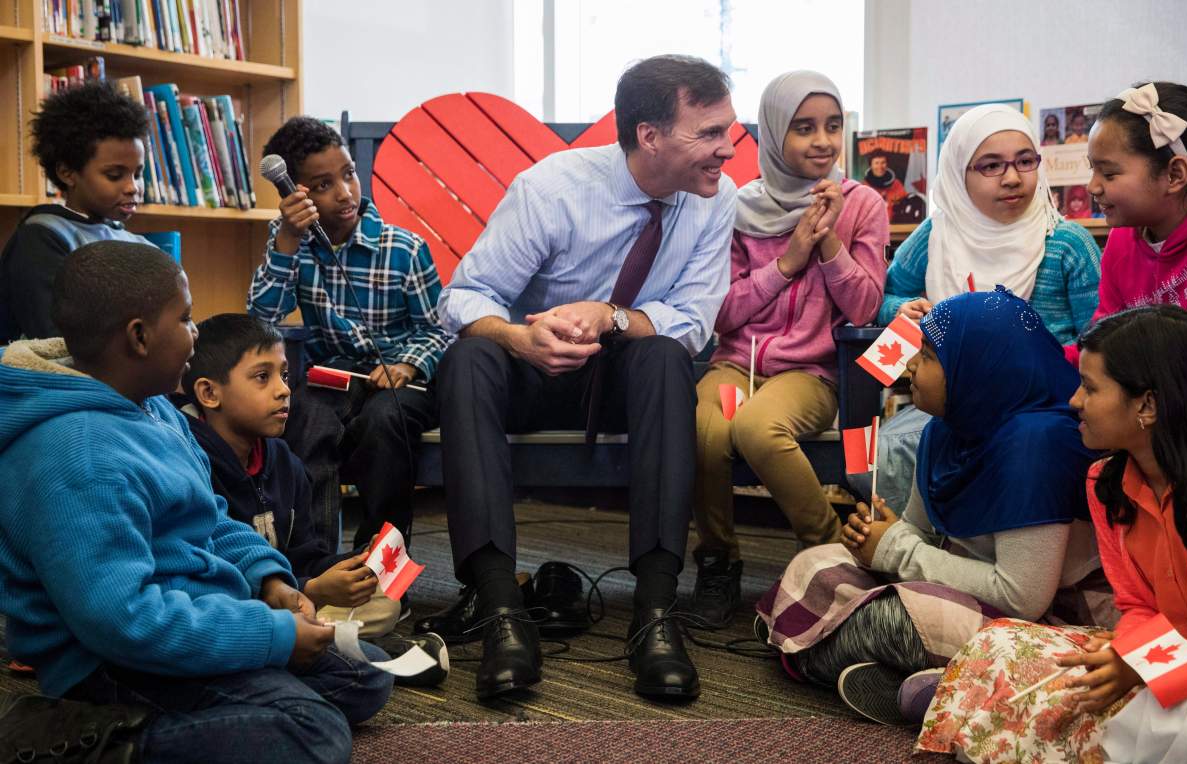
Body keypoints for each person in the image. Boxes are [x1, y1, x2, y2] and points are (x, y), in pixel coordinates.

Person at [0, 241, 392, 764]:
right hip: (111, 663)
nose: (197, 333)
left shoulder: (154, 407)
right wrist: (269, 636)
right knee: (314, 733)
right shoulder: (79, 455)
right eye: (186, 319)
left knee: (367, 677)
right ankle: (92, 746)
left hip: (196, 612)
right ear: (139, 337)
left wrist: (270, 582)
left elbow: (209, 516)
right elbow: (127, 623)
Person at [434, 54, 738, 701]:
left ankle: (655, 616)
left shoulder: (718, 201)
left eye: (727, 131)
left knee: (665, 357)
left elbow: (694, 322)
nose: (728, 149)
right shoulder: (552, 188)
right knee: (469, 358)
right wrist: (520, 336)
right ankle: (500, 611)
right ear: (651, 136)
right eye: (709, 133)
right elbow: (464, 297)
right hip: (538, 375)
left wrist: (612, 317)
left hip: (630, 382)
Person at [757, 289, 1108, 727]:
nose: (909, 366)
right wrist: (877, 539)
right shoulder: (946, 430)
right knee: (814, 564)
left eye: (926, 356)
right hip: (968, 591)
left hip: (1050, 618)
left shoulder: (1037, 445)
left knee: (886, 619)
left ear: (975, 367)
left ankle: (830, 651)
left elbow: (1023, 597)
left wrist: (894, 550)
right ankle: (905, 674)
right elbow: (918, 533)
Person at [915, 306, 1187, 763]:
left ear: (1146, 405)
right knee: (1000, 642)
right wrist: (1129, 654)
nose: (1073, 401)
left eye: (1089, 387)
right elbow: (1137, 607)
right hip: (1159, 659)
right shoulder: (1105, 482)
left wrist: (1143, 661)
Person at [690, 70, 887, 625]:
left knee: (756, 427)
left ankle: (832, 553)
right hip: (735, 364)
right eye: (803, 128)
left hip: (810, 373)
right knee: (709, 429)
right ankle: (718, 559)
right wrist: (786, 262)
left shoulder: (861, 204)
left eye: (831, 126)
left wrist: (827, 239)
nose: (821, 141)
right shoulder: (735, 207)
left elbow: (866, 307)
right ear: (775, 135)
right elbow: (721, 312)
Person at [177, 313, 447, 668]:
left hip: (290, 596)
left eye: (284, 375)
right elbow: (204, 572)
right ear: (209, 393)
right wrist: (310, 589)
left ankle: (310, 641)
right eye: (262, 377)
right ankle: (335, 648)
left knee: (383, 596)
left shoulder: (285, 464)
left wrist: (345, 571)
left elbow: (304, 556)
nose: (284, 390)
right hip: (221, 600)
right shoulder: (186, 458)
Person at [867, 104, 1101, 512]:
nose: (1012, 178)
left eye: (1025, 162)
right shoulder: (936, 235)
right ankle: (913, 547)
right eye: (991, 166)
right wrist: (902, 310)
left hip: (1039, 409)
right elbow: (885, 299)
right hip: (948, 404)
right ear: (960, 173)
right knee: (876, 451)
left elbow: (1100, 344)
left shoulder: (1066, 243)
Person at [248, 116, 451, 559]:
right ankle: (315, 559)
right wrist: (286, 240)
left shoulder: (404, 248)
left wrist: (408, 363)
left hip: (399, 382)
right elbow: (262, 317)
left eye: (348, 175)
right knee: (305, 420)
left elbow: (439, 329)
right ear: (293, 193)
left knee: (383, 424)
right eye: (322, 185)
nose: (344, 193)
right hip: (332, 379)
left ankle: (381, 564)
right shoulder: (289, 242)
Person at [0, 80, 152, 344]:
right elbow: (53, 340)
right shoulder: (43, 237)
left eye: (138, 174)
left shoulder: (139, 244)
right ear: (67, 172)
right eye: (114, 175)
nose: (132, 187)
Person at [1062, 82, 1187, 367]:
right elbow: (1106, 342)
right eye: (1093, 170)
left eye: (1109, 173)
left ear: (1174, 174)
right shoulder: (1121, 242)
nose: (1092, 187)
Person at [862, 151, 907, 218]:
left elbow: (904, 205)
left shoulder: (896, 185)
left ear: (887, 164)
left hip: (894, 225)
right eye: (876, 163)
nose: (880, 166)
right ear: (871, 165)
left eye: (883, 163)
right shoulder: (864, 187)